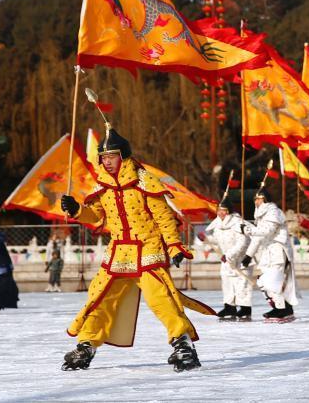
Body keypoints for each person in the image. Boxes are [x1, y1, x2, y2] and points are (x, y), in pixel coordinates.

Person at [59, 124, 213, 371]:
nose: (107, 162)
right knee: (100, 298)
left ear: (123, 156)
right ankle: (86, 345)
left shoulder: (145, 181)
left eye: (112, 157)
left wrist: (173, 246)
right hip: (118, 250)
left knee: (160, 298)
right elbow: (96, 216)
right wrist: (77, 210)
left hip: (148, 248)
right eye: (103, 157)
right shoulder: (102, 186)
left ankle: (182, 344)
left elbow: (164, 217)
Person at [242, 189, 300, 322]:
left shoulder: (274, 212)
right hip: (268, 253)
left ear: (265, 199)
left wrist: (247, 229)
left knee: (272, 281)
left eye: (259, 199)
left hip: (278, 252)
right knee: (265, 281)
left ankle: (282, 309)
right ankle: (283, 308)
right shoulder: (261, 215)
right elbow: (258, 237)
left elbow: (267, 231)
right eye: (255, 199)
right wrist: (248, 255)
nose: (256, 202)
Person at [199, 197, 253, 321]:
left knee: (242, 284)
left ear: (228, 211)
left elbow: (243, 242)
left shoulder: (238, 223)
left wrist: (229, 255)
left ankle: (245, 309)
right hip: (226, 261)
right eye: (219, 210)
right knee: (227, 283)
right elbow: (217, 240)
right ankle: (229, 307)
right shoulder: (218, 224)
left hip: (240, 260)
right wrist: (206, 239)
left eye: (223, 210)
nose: (220, 213)